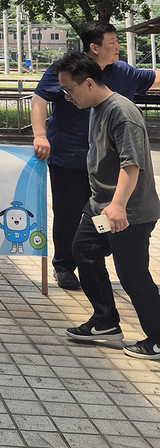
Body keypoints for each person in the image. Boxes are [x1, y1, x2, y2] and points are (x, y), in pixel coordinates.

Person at [32, 21, 160, 290]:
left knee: (105, 215)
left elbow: (155, 77)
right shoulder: (67, 71)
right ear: (94, 47)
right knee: (68, 214)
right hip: (69, 157)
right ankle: (65, 266)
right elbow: (40, 99)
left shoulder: (122, 73)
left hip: (107, 164)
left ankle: (94, 259)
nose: (118, 47)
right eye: (112, 42)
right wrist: (40, 135)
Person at [53, 52, 160, 361]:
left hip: (128, 210)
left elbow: (132, 165)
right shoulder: (95, 108)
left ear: (88, 83)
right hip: (99, 204)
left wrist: (117, 207)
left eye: (69, 90)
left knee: (133, 275)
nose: (66, 96)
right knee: (83, 251)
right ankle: (105, 322)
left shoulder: (122, 113)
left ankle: (157, 337)